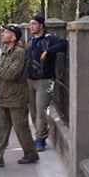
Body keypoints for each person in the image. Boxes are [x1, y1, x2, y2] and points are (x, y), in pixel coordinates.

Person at [0, 25, 38, 168]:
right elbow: (4, 70)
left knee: (21, 128)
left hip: (16, 98)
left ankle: (31, 154)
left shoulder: (19, 53)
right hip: (3, 96)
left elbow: (12, 74)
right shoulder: (5, 51)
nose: (2, 34)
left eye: (6, 33)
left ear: (13, 37)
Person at [26, 15, 68, 151]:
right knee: (33, 111)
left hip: (44, 80)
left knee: (41, 110)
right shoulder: (30, 41)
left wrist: (48, 51)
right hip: (30, 80)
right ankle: (38, 133)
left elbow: (64, 43)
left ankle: (41, 138)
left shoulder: (49, 39)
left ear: (41, 25)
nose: (31, 27)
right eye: (30, 24)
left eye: (34, 24)